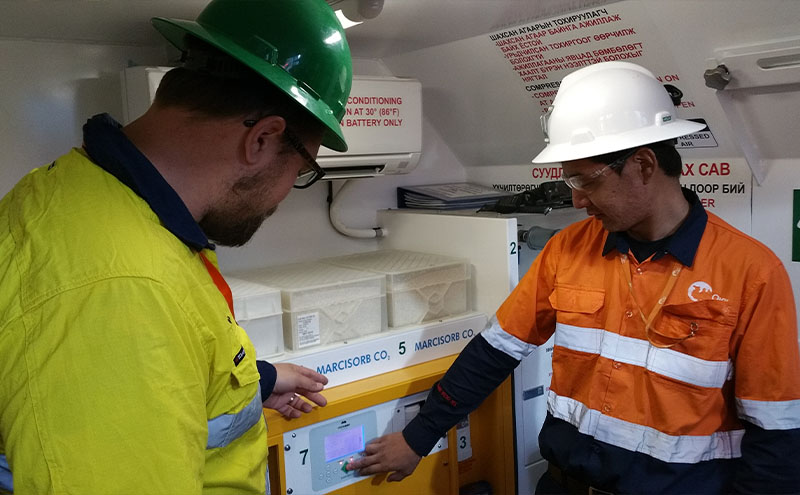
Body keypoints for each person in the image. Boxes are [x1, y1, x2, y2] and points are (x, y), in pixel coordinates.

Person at [347, 61, 800, 493]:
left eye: (586, 181)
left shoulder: (751, 272)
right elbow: (495, 351)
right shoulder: (568, 248)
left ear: (643, 165)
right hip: (564, 484)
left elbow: (776, 431)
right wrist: (418, 437)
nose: (578, 201)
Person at [0, 0, 352, 493]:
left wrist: (260, 382)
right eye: (300, 172)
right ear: (264, 139)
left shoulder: (80, 191)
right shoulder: (120, 291)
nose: (278, 200)